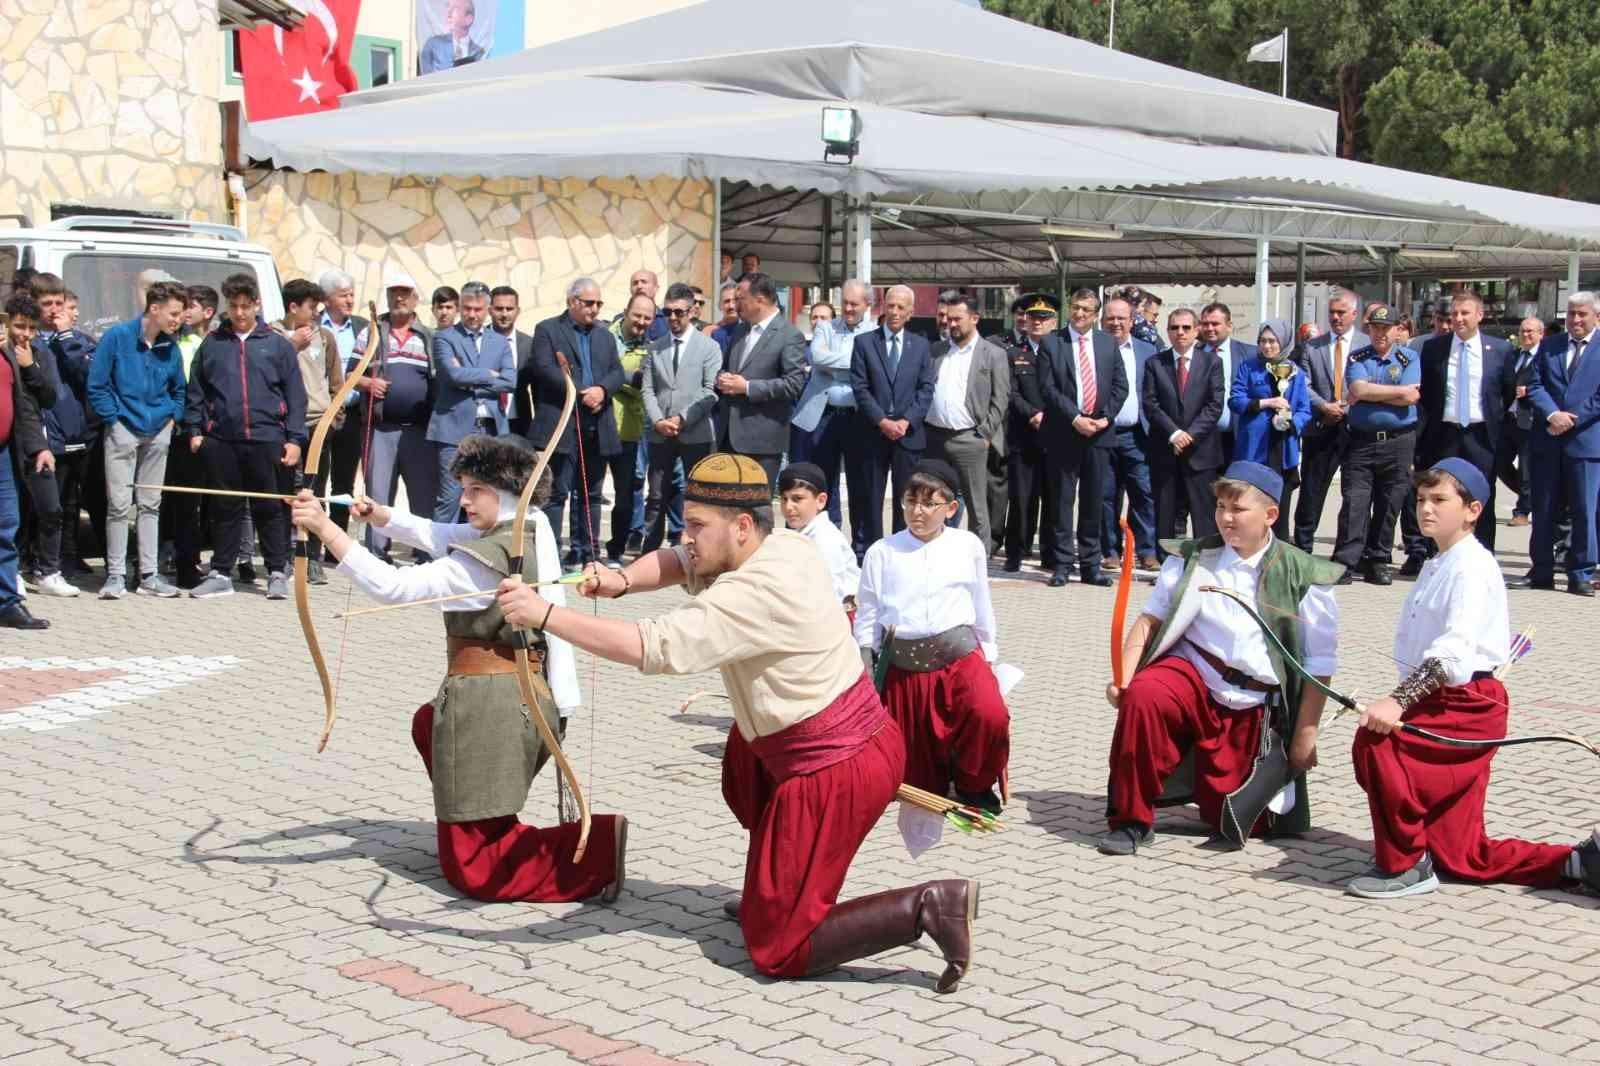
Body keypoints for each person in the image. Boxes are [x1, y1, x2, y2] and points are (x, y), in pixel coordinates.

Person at [496, 453, 976, 991]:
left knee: (779, 949)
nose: (688, 537)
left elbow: (655, 646)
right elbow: (682, 558)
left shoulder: (750, 592)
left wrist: (545, 615)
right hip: (820, 745)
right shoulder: (786, 543)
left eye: (698, 525)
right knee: (743, 769)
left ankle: (929, 905)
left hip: (834, 766)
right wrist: (621, 580)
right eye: (687, 522)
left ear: (743, 526)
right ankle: (773, 897)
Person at [290, 434, 627, 903]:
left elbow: (393, 586)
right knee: (429, 724)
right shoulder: (522, 527)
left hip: (496, 706)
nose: (464, 500)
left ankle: (593, 850)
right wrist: (377, 515)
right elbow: (435, 533)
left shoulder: (488, 564)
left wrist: (327, 530)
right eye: (464, 488)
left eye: (475, 490)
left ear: (505, 492)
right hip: (503, 695)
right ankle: (479, 818)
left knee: (475, 872)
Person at [1346, 458, 1600, 899]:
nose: (1426, 508)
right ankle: (1580, 863)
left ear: (1473, 510)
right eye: (1422, 499)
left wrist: (1397, 701)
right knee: (1463, 856)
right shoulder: (1438, 560)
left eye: (1440, 500)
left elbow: (1453, 653)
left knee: (1376, 743)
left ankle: (1406, 863)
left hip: (1465, 705)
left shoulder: (1470, 567)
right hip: (1441, 698)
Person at [1101, 461, 1340, 856]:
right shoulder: (1194, 557)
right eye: (1220, 508)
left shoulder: (1304, 575)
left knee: (1238, 819)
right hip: (1193, 674)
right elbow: (1148, 621)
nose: (1226, 519)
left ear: (1270, 515)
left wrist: (1305, 735)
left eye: (1238, 509)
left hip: (1255, 703)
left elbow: (1319, 665)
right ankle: (1131, 821)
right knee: (1145, 696)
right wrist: (1123, 679)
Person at [855, 458, 1008, 813]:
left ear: (951, 508)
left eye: (929, 503)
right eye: (910, 501)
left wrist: (990, 656)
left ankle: (975, 785)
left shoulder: (967, 545)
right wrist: (865, 664)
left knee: (990, 714)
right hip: (904, 668)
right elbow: (868, 614)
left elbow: (981, 603)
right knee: (917, 782)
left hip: (960, 657)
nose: (917, 512)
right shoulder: (882, 552)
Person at [184, 273, 305, 601]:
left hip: (268, 439)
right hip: (222, 440)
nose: (239, 313)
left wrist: (294, 439)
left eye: (245, 307)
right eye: (233, 307)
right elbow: (196, 390)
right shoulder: (213, 343)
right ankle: (222, 572)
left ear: (257, 305)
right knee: (225, 508)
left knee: (271, 508)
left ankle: (277, 571)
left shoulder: (277, 345)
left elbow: (296, 396)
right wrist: (196, 431)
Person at [87, 280, 187, 600]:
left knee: (150, 505)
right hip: (123, 430)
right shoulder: (117, 338)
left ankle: (149, 576)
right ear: (153, 309)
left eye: (181, 314)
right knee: (118, 505)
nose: (178, 320)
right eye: (173, 313)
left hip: (159, 431)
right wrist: (113, 421)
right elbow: (97, 384)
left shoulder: (170, 348)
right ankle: (115, 575)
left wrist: (172, 418)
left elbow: (180, 389)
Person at [524, 277, 623, 564]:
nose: (595, 309)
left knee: (591, 493)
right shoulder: (548, 330)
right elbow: (544, 369)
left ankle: (587, 553)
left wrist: (602, 390)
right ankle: (551, 556)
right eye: (589, 303)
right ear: (572, 302)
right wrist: (582, 392)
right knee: (556, 494)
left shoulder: (605, 335)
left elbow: (617, 371)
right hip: (562, 423)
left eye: (598, 303)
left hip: (597, 423)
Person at [1414, 291, 1514, 558]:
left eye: (1465, 313)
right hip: (1445, 435)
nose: (1458, 319)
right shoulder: (1435, 348)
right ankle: (1442, 556)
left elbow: (1507, 392)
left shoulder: (1500, 350)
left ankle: (1483, 557)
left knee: (1481, 498)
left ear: (1479, 315)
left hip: (1481, 437)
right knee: (1443, 497)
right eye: (1454, 313)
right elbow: (1428, 394)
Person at [1038, 288, 1125, 587]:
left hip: (1099, 435)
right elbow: (1048, 388)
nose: (1079, 314)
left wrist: (1104, 419)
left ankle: (1091, 565)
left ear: (1096, 314)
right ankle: (1062, 564)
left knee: (1093, 502)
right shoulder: (1052, 342)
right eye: (1075, 307)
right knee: (1063, 502)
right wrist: (1076, 418)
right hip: (1065, 432)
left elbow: (1120, 386)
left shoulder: (1107, 343)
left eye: (1086, 310)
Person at [1517, 292, 1600, 596]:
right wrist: (1553, 414)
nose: (1576, 320)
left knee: (1584, 511)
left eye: (1582, 314)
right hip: (1548, 441)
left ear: (1596, 317)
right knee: (1544, 509)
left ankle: (1580, 573)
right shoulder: (1550, 346)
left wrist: (1572, 419)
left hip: (1586, 443)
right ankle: (1542, 570)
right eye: (1571, 314)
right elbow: (1534, 384)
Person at [1331, 306, 1417, 585]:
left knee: (1390, 502)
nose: (1380, 333)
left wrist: (1372, 393)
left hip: (1398, 442)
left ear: (1397, 330)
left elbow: (1411, 396)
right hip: (1362, 442)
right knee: (1355, 502)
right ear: (1369, 330)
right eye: (1376, 327)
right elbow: (1357, 389)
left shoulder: (1409, 358)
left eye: (1386, 327)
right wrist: (1395, 392)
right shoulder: (1358, 356)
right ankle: (1346, 560)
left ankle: (1378, 559)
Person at [354, 275, 438, 564]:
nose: (399, 298)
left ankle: (425, 554)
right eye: (394, 293)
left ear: (416, 298)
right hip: (380, 429)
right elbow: (351, 375)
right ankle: (377, 555)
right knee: (377, 494)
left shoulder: (427, 336)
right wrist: (368, 384)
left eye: (405, 293)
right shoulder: (372, 333)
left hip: (419, 431)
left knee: (422, 495)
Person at [851, 285, 936, 556]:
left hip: (907, 436)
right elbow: (860, 388)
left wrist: (906, 421)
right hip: (873, 434)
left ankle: (905, 549)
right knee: (871, 498)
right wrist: (882, 421)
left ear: (911, 312)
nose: (895, 312)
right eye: (890, 306)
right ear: (882, 307)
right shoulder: (864, 343)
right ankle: (875, 552)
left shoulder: (921, 345)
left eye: (901, 307)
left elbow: (926, 388)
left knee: (908, 497)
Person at [925, 293, 1010, 557]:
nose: (951, 324)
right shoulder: (936, 351)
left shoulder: (992, 354)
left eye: (957, 319)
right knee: (934, 498)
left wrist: (983, 434)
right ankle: (936, 552)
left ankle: (978, 559)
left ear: (975, 319)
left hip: (969, 439)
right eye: (948, 319)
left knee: (976, 504)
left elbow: (1001, 397)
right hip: (935, 437)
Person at [30, 280, 99, 591]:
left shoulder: (75, 340)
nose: (55, 310)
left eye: (59, 303)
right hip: (45, 433)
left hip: (73, 430)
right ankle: (40, 563)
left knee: (71, 502)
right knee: (46, 504)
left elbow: (86, 376)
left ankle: (68, 559)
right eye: (48, 304)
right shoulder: (30, 341)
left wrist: (66, 338)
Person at [429, 280, 516, 526]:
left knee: (486, 495)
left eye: (478, 309)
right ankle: (435, 556)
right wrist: (490, 374)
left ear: (487, 309)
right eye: (467, 308)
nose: (472, 314)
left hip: (490, 429)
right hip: (453, 428)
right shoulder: (445, 338)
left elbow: (510, 380)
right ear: (460, 307)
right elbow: (453, 375)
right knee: (451, 497)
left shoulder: (499, 342)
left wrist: (470, 377)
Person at [275, 278, 344, 584]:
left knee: (315, 493)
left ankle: (311, 557)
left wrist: (335, 417)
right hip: (284, 425)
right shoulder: (272, 334)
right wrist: (292, 345)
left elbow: (335, 381)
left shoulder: (325, 336)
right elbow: (268, 367)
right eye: (311, 307)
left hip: (318, 425)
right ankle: (284, 557)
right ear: (293, 307)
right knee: (286, 493)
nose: (316, 313)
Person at [792, 280, 872, 540]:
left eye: (854, 304)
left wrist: (840, 363)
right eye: (845, 303)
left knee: (860, 482)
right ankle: (828, 539)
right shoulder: (826, 328)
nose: (848, 308)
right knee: (824, 482)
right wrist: (859, 361)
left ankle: (860, 544)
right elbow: (818, 357)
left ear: (867, 305)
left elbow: (872, 370)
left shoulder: (874, 332)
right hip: (823, 414)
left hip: (858, 417)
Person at [641, 284, 718, 553]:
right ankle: (649, 552)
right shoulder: (655, 348)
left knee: (697, 494)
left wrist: (682, 419)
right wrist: (659, 420)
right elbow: (648, 389)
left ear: (692, 311)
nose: (673, 318)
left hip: (695, 432)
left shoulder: (709, 347)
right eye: (667, 312)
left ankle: (699, 550)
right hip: (660, 432)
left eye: (678, 312)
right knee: (656, 495)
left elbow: (710, 392)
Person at [1142, 308, 1224, 549]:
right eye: (1175, 327)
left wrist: (1189, 435)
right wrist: (1174, 433)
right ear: (1167, 331)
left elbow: (1214, 404)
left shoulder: (1212, 362)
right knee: (1165, 514)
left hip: (1201, 451)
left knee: (1204, 515)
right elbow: (1150, 403)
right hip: (1165, 450)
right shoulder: (1154, 363)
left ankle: (1204, 566)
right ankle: (1166, 565)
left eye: (1186, 327)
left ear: (1197, 330)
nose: (1180, 332)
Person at [1293, 290, 1366, 555]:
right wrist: (1324, 405)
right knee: (1312, 492)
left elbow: (1372, 382)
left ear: (1354, 314)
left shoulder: (1366, 344)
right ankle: (1302, 549)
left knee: (1354, 494)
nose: (1335, 317)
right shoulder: (1313, 346)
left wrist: (1348, 406)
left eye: (1341, 313)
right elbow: (1302, 382)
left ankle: (1346, 554)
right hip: (1321, 426)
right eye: (1332, 313)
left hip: (1357, 428)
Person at [717, 273, 806, 490]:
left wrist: (747, 387)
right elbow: (729, 368)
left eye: (741, 299)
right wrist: (723, 378)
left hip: (762, 442)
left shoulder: (789, 335)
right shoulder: (740, 330)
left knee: (756, 510)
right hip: (728, 436)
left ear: (760, 300)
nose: (736, 305)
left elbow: (794, 384)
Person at [1, 293, 56, 628]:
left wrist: (39, 447)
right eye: (19, 326)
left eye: (32, 328)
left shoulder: (31, 355)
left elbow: (38, 403)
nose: (25, 334)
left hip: (6, 452)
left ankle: (7, 602)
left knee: (7, 525)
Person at [1229, 323, 1311, 542]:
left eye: (1272, 341)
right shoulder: (1249, 367)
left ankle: (1279, 549)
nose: (1267, 346)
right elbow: (1236, 401)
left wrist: (1291, 422)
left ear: (1283, 342)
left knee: (1278, 507)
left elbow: (1305, 410)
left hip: (1283, 447)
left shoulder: (1296, 372)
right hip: (1255, 446)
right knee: (1250, 502)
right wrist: (1265, 403)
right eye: (1263, 341)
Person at [1098, 296, 1157, 571]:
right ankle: (1110, 551)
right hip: (1102, 433)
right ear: (1102, 321)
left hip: (1137, 434)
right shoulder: (1093, 348)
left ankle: (1146, 550)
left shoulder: (1148, 351)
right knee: (1105, 495)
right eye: (1111, 318)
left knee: (1143, 493)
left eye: (1122, 318)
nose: (1116, 323)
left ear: (1132, 321)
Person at [1002, 294, 1059, 573]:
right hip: (1023, 437)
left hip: (1055, 437)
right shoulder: (1014, 353)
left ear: (1053, 322)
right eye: (1033, 316)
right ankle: (1016, 552)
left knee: (1052, 499)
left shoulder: (1061, 352)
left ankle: (1050, 554)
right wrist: (1033, 414)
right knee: (1021, 500)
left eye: (1043, 317)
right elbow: (1010, 393)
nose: (1036, 322)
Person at [316, 270, 369, 553]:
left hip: (352, 414)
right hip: (322, 415)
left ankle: (336, 547)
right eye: (343, 295)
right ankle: (311, 546)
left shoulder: (362, 327)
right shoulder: (313, 326)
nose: (350, 300)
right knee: (317, 479)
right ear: (326, 299)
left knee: (344, 482)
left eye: (351, 293)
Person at [604, 292, 653, 564]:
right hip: (598, 423)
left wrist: (611, 377)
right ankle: (584, 550)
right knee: (588, 492)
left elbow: (643, 385)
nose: (641, 322)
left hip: (629, 430)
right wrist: (624, 378)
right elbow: (592, 372)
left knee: (624, 496)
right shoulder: (603, 337)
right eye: (637, 315)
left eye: (647, 318)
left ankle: (615, 550)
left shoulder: (651, 348)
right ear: (625, 312)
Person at [777, 462, 859, 607]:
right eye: (784, 499)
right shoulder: (799, 533)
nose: (788, 507)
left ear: (820, 501)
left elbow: (833, 593)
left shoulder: (826, 539)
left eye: (797, 499)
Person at [1197, 303, 1255, 459]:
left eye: (1215, 324)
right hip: (1203, 440)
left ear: (1229, 326)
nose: (1209, 328)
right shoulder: (1193, 355)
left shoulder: (1250, 354)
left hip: (1239, 436)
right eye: (1205, 324)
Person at [1505, 316, 1544, 527]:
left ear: (1540, 334)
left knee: (1526, 469)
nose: (1526, 335)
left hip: (1531, 419)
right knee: (1500, 463)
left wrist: (1528, 392)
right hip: (1509, 419)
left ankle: (1523, 509)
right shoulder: (1513, 355)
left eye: (1530, 331)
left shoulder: (1544, 358)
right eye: (1523, 331)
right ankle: (1530, 494)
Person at [489, 286, 534, 430]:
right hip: (483, 423)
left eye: (509, 309)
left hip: (518, 423)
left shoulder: (529, 344)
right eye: (499, 308)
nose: (504, 314)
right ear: (490, 310)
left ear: (517, 311)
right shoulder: (475, 340)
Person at [419, 0, 485, 74]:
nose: (449, 14)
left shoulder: (479, 53)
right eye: (448, 7)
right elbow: (425, 78)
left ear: (468, 19)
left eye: (455, 9)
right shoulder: (432, 45)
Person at [704, 282, 739, 356]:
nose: (731, 306)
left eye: (735, 300)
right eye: (727, 301)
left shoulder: (750, 330)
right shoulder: (713, 333)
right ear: (720, 305)